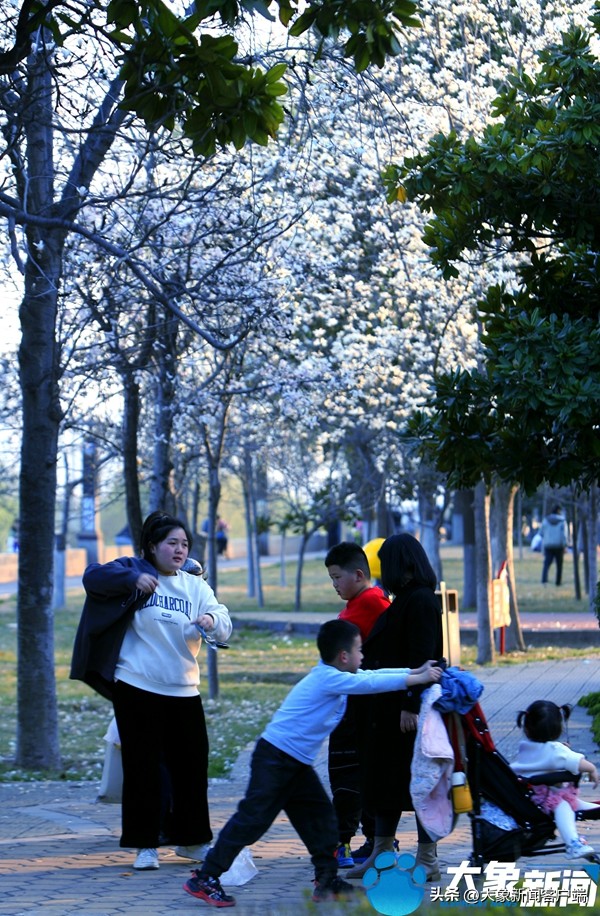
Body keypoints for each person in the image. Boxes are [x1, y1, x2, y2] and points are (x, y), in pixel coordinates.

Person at [182, 619, 443, 907]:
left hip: (295, 764)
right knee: (252, 821)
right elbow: (369, 682)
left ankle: (327, 881)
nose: (362, 656)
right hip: (276, 760)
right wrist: (416, 679)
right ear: (343, 656)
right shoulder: (328, 678)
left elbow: (371, 674)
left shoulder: (335, 675)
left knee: (322, 820)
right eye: (359, 650)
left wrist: (415, 671)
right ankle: (206, 877)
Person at [70, 511, 233, 871]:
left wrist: (211, 621)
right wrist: (134, 577)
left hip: (184, 690)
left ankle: (192, 842)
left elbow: (224, 620)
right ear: (152, 546)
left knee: (190, 769)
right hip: (137, 686)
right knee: (143, 770)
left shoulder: (194, 585)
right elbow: (93, 576)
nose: (178, 550)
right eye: (171, 543)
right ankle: (146, 846)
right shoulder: (133, 571)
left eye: (184, 544)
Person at [347, 532, 444, 882]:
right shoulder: (407, 599)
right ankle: (381, 852)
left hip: (406, 715)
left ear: (399, 564)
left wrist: (411, 705)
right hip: (387, 712)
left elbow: (424, 656)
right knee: (385, 782)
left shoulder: (420, 601)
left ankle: (427, 858)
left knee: (419, 783)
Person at [324, 541, 390, 868]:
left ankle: (345, 844)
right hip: (354, 701)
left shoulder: (371, 603)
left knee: (347, 773)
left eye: (337, 577)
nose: (334, 584)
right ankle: (366, 841)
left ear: (359, 574)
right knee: (356, 773)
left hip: (359, 705)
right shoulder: (362, 602)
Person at [510, 700, 600, 859]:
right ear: (559, 728)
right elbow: (577, 762)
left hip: (526, 796)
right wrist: (592, 769)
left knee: (577, 804)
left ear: (527, 728)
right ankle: (573, 843)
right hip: (545, 798)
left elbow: (552, 756)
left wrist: (562, 749)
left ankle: (593, 809)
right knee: (563, 806)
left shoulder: (526, 747)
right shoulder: (556, 750)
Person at [540, 504, 568, 586]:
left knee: (546, 564)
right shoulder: (562, 521)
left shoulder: (545, 520)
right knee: (559, 565)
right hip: (559, 546)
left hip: (548, 545)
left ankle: (544, 580)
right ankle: (558, 582)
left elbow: (541, 533)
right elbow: (564, 535)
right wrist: (565, 545)